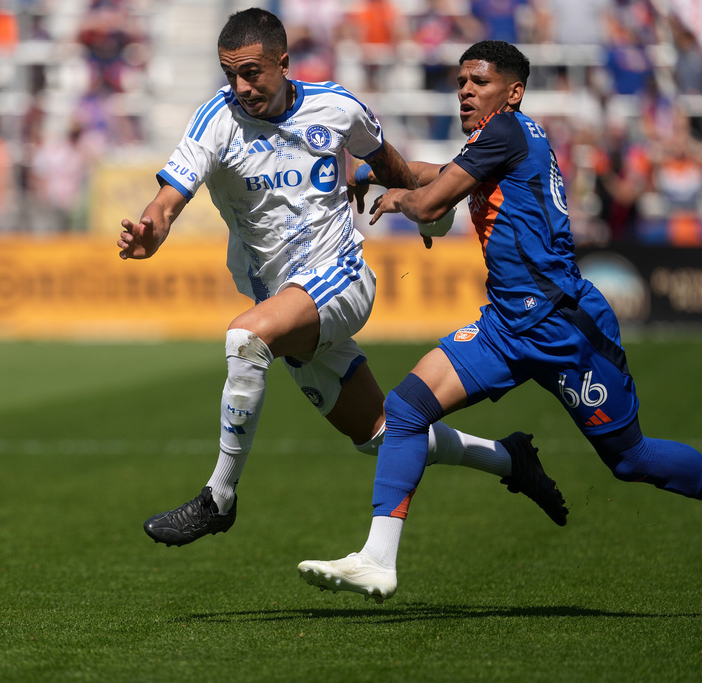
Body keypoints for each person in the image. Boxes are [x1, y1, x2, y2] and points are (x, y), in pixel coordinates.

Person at [117, 11, 568, 553]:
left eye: (253, 72)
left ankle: (219, 498)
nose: (241, 86)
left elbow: (389, 163)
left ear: (283, 64)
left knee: (245, 338)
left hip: (342, 277)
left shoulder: (338, 107)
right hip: (284, 299)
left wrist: (430, 215)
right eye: (231, 74)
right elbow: (168, 198)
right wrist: (152, 228)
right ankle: (509, 458)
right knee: (379, 434)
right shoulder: (217, 120)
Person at [297, 40, 702, 603]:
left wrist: (400, 200)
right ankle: (377, 559)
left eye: (479, 82)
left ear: (512, 92)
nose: (465, 90)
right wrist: (375, 171)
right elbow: (438, 174)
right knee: (408, 408)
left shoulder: (507, 132)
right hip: (508, 325)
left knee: (631, 460)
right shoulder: (499, 140)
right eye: (461, 81)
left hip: (562, 327)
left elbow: (433, 202)